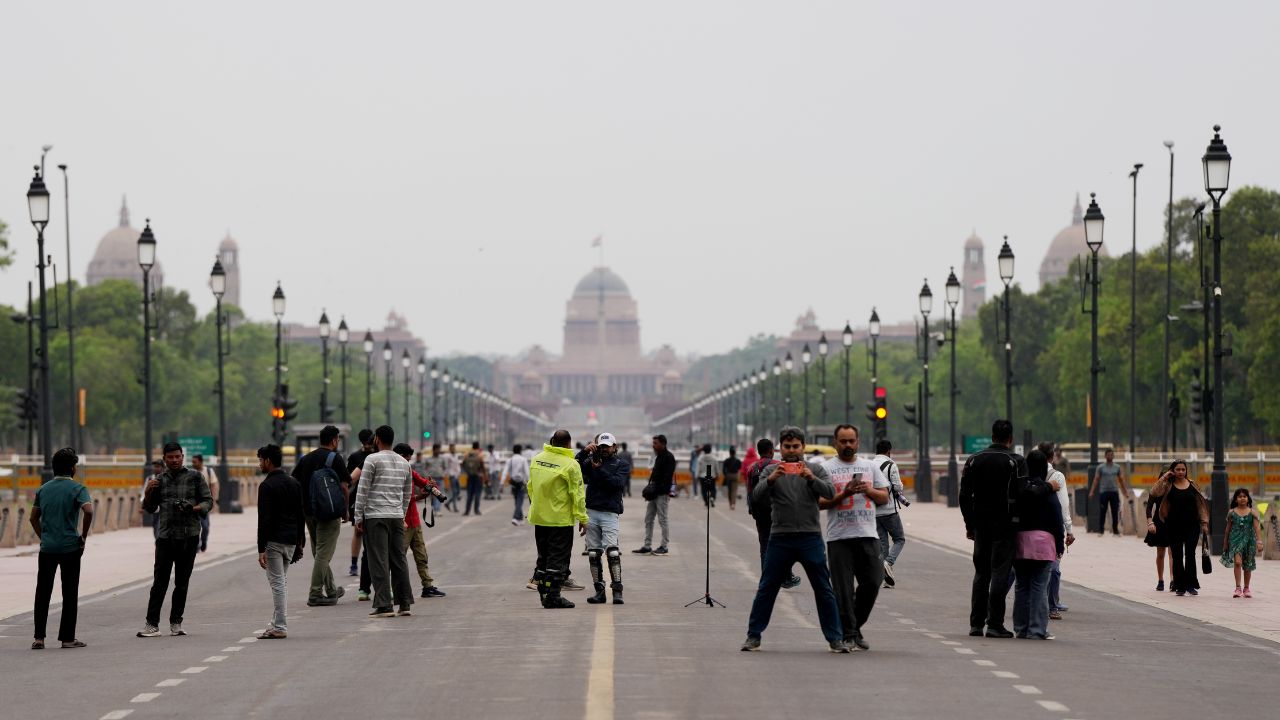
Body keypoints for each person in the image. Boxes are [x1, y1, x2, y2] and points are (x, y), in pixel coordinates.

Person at [742, 426, 847, 653]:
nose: (791, 451)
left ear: (803, 447)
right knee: (767, 587)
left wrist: (810, 479)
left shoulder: (816, 469)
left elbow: (830, 493)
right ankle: (753, 635)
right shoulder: (770, 469)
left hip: (810, 538)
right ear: (780, 448)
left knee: (823, 589)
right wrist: (771, 479)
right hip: (780, 538)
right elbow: (756, 497)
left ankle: (835, 638)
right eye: (787, 447)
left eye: (796, 447)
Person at [959, 419, 1042, 639]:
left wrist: (970, 524)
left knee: (981, 573)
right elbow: (1024, 493)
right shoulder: (1015, 462)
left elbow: (964, 496)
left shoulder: (974, 460)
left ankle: (976, 624)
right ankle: (995, 624)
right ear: (1010, 439)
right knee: (1000, 573)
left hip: (981, 526)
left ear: (992, 436)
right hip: (1006, 526)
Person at [819, 425, 890, 651]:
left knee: (872, 582)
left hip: (868, 535)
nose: (847, 445)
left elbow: (884, 498)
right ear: (835, 443)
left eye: (851, 441)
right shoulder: (826, 469)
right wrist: (845, 493)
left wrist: (867, 490)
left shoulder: (870, 466)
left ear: (858, 442)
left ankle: (854, 627)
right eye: (843, 441)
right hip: (839, 537)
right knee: (843, 590)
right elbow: (820, 502)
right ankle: (849, 635)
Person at [138, 442, 213, 638]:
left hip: (189, 537)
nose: (174, 460)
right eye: (170, 457)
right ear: (164, 459)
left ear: (182, 456)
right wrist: (148, 492)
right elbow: (149, 508)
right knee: (159, 582)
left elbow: (208, 501)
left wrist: (193, 508)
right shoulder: (158, 480)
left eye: (177, 456)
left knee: (182, 582)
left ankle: (176, 623)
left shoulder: (195, 477)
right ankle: (151, 624)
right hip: (165, 537)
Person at [30, 447, 93, 650]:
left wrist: (43, 537)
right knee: (69, 592)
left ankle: (39, 637)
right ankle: (67, 638)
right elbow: (89, 510)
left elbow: (33, 518)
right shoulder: (78, 489)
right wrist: (82, 536)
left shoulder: (43, 489)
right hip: (69, 548)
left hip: (47, 548)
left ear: (54, 467)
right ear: (73, 467)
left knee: (43, 591)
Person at [353, 425, 414, 618]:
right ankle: (404, 603)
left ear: (377, 439)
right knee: (399, 559)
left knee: (378, 560)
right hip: (396, 516)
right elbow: (407, 494)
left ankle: (384, 605)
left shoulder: (371, 459)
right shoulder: (404, 463)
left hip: (375, 516)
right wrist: (402, 514)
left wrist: (358, 516)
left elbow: (363, 489)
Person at [291, 425, 351, 606]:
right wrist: (346, 510)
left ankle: (331, 590)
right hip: (329, 512)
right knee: (324, 554)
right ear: (334, 440)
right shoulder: (335, 458)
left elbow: (294, 481)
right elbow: (344, 487)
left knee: (319, 552)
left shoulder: (306, 459)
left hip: (309, 512)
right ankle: (315, 593)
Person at [528, 429, 588, 608]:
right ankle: (553, 595)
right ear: (569, 444)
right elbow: (577, 495)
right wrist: (582, 518)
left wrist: (536, 507)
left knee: (543, 556)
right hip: (560, 520)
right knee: (557, 558)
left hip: (539, 517)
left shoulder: (536, 459)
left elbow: (530, 487)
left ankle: (544, 594)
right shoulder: (570, 464)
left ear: (552, 441)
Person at [1011, 450, 1065, 640]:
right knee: (1039, 588)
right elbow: (1057, 520)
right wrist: (1060, 545)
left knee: (1022, 586)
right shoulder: (1049, 492)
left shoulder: (1022, 489)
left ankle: (1021, 627)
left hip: (1020, 543)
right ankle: (1036, 629)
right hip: (1043, 545)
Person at [255, 444, 305, 639]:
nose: (260, 464)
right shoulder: (294, 483)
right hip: (291, 539)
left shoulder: (267, 486)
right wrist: (300, 540)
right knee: (281, 581)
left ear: (268, 460)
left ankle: (280, 626)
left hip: (274, 540)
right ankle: (276, 622)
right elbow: (301, 514)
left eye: (260, 460)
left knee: (277, 583)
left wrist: (261, 548)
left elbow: (264, 519)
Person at [577, 432, 628, 605]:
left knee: (612, 551)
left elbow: (617, 484)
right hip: (591, 511)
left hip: (609, 513)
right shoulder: (589, 462)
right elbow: (574, 467)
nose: (604, 449)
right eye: (601, 446)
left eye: (607, 446)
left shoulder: (621, 464)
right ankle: (599, 591)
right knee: (593, 553)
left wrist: (600, 469)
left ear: (615, 447)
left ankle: (617, 591)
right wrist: (584, 452)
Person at [746, 438, 802, 589]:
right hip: (778, 511)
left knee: (764, 545)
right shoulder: (777, 466)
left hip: (760, 513)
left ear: (758, 451)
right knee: (784, 544)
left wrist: (752, 510)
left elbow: (750, 492)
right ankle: (786, 577)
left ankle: (767, 579)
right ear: (771, 450)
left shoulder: (752, 468)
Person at [393, 443, 447, 599]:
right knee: (398, 558)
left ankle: (427, 586)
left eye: (409, 459)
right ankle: (394, 588)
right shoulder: (393, 474)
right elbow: (398, 498)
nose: (407, 462)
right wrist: (418, 497)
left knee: (421, 555)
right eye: (406, 458)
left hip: (414, 520)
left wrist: (431, 486)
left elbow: (423, 482)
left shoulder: (409, 470)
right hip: (401, 521)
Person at [1155, 459, 1209, 596]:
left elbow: (1200, 505)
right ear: (1173, 471)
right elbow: (1154, 493)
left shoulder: (1193, 485)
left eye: (1183, 469)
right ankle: (1179, 586)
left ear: (1186, 471)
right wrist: (1164, 477)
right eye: (1177, 469)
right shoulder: (1168, 485)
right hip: (1173, 525)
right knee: (1177, 555)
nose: (1180, 472)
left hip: (1192, 526)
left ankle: (1191, 584)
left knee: (1190, 554)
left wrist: (1204, 523)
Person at [1036, 441, 1074, 619]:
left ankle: (996, 602)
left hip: (1030, 525)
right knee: (1054, 567)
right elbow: (1063, 505)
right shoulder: (1057, 476)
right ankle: (1052, 606)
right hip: (1052, 528)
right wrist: (1069, 530)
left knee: (1017, 569)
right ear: (1052, 456)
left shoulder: (1026, 473)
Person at [633, 434, 675, 555]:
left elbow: (667, 478)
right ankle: (647, 545)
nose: (653, 445)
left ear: (663, 444)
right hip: (654, 493)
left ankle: (664, 546)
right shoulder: (659, 457)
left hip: (662, 494)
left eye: (656, 443)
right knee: (648, 519)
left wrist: (656, 489)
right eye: (653, 443)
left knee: (663, 519)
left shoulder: (668, 457)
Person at [872, 439, 906, 588]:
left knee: (883, 544)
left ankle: (886, 579)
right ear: (889, 451)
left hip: (875, 511)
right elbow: (898, 487)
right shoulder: (891, 465)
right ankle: (889, 562)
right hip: (889, 510)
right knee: (899, 539)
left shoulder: (870, 465)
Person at [1145, 460, 1181, 591]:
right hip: (1159, 522)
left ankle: (1173, 580)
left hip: (1173, 522)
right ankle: (1160, 580)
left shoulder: (1176, 487)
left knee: (1173, 553)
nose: (1168, 477)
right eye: (1165, 475)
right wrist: (1150, 522)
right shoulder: (1156, 489)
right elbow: (1149, 507)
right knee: (1161, 554)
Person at [346, 429, 377, 579]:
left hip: (375, 497)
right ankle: (353, 563)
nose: (368, 445)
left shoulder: (377, 455)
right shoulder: (355, 457)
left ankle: (370, 563)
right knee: (358, 531)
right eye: (366, 442)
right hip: (358, 497)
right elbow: (348, 479)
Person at [1221, 488, 1263, 598]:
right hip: (1235, 540)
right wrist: (1225, 543)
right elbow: (1227, 530)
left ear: (1248, 498)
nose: (1242, 498)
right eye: (1239, 496)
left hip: (1249, 541)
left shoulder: (1252, 513)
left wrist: (1259, 542)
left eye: (1244, 496)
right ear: (1235, 499)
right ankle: (1238, 588)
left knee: (1248, 565)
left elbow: (1257, 528)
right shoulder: (1231, 513)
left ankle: (1247, 588)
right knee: (1238, 563)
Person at [1088, 448, 1130, 536]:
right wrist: (1092, 491)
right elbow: (1096, 480)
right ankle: (1101, 530)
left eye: (1111, 454)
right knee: (1102, 511)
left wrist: (1125, 492)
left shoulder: (1117, 467)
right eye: (1108, 454)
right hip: (1104, 492)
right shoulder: (1100, 467)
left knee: (1115, 511)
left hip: (1114, 491)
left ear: (1113, 456)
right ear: (1105, 456)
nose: (1110, 456)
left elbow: (1121, 480)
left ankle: (1115, 530)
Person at [191, 453, 218, 552]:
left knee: (205, 526)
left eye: (195, 462)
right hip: (193, 504)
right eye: (192, 462)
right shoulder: (191, 472)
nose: (193, 464)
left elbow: (214, 486)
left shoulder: (209, 471)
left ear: (201, 462)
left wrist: (213, 500)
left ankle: (204, 541)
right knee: (195, 526)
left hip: (204, 503)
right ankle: (197, 545)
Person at [503, 443, 531, 525]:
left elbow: (505, 471)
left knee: (517, 501)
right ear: (520, 451)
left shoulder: (510, 460)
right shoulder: (523, 459)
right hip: (521, 483)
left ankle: (520, 518)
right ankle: (515, 517)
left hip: (513, 483)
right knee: (519, 501)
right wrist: (529, 482)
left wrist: (502, 483)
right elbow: (526, 472)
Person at [462, 441, 488, 516]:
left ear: (472, 446)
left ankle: (467, 510)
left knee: (469, 494)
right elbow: (482, 467)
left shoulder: (467, 454)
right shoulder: (480, 455)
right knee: (478, 493)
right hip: (478, 476)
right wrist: (485, 477)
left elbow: (463, 464)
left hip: (470, 476)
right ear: (478, 446)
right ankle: (476, 510)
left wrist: (467, 472)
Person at [722, 446, 742, 511]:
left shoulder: (726, 461)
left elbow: (723, 470)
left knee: (729, 490)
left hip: (728, 475)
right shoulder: (738, 461)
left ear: (729, 453)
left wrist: (726, 475)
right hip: (735, 475)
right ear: (735, 453)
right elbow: (739, 468)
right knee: (734, 491)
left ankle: (730, 503)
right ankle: (733, 504)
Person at [445, 443, 463, 512]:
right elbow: (446, 466)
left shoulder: (456, 456)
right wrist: (448, 474)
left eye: (454, 448)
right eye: (452, 448)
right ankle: (455, 507)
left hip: (457, 475)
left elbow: (458, 465)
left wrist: (459, 472)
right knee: (454, 492)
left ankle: (448, 503)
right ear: (450, 449)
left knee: (458, 492)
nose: (453, 449)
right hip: (452, 475)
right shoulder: (448, 457)